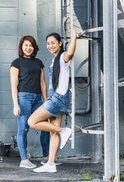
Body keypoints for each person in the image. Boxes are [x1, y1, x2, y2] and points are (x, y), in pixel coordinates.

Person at [28, 31, 77, 173]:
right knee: (52, 133)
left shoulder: (62, 57)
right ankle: (51, 163)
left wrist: (74, 37)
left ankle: (64, 131)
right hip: (57, 99)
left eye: (53, 43)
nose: (50, 46)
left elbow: (70, 53)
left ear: (60, 43)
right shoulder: (54, 60)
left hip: (57, 99)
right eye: (48, 43)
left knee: (32, 122)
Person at [10, 35, 50, 169]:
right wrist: (16, 104)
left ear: (34, 48)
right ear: (21, 47)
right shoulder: (16, 63)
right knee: (23, 129)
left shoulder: (38, 63)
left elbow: (42, 83)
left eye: (31, 45)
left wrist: (45, 101)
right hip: (23, 98)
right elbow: (13, 85)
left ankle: (46, 158)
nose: (28, 48)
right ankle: (24, 160)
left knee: (45, 127)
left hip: (38, 99)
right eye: (26, 45)